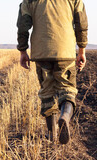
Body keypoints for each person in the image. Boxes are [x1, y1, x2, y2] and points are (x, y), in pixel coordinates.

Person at [17, 0, 88, 144]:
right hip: (66, 52)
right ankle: (65, 118)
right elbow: (81, 24)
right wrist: (82, 50)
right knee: (67, 90)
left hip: (41, 52)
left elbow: (23, 26)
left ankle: (52, 135)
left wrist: (23, 50)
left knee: (47, 93)